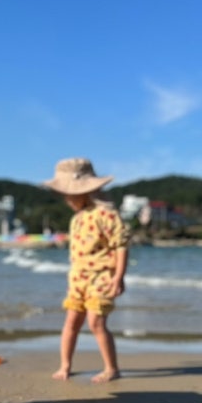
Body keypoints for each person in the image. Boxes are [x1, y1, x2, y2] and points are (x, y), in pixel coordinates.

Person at [43, 158, 131, 383]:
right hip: (77, 279)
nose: (66, 199)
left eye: (69, 195)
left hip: (102, 277)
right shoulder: (77, 219)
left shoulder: (107, 214)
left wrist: (119, 277)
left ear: (86, 191)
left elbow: (120, 245)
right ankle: (65, 365)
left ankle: (112, 368)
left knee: (96, 322)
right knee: (71, 322)